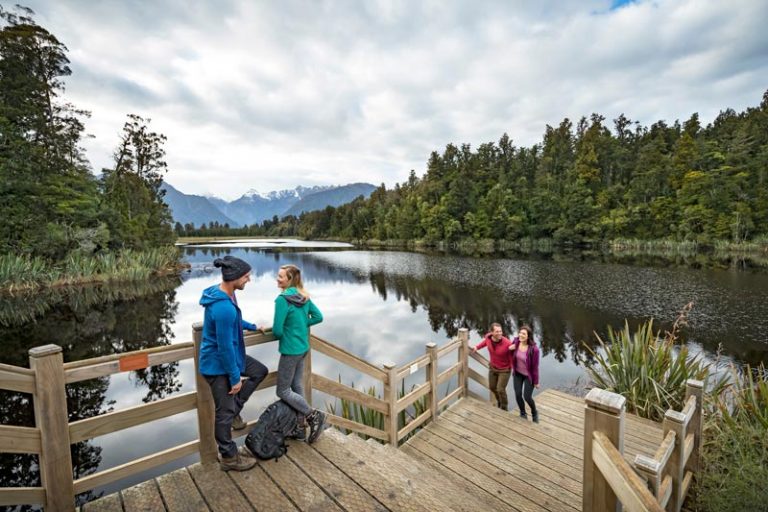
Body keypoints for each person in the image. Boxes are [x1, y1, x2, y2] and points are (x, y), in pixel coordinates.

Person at [199, 255, 268, 471]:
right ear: (235, 277)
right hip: (217, 366)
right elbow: (224, 346)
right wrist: (235, 377)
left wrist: (252, 326)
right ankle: (229, 457)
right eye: (246, 276)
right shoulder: (223, 308)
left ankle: (236, 406)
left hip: (230, 358)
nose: (248, 279)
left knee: (259, 371)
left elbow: (235, 322)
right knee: (224, 414)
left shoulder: (227, 295)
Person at [273, 264, 325, 443]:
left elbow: (278, 331)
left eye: (280, 276)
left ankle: (313, 415)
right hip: (303, 348)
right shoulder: (303, 296)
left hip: (290, 350)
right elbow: (318, 317)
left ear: (289, 280)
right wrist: (301, 325)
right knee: (296, 385)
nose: (277, 279)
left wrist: (269, 330)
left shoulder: (282, 300)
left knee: (282, 390)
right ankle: (299, 427)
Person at [471, 323, 513, 410]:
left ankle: (504, 407)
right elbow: (485, 342)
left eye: (501, 331)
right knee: (492, 387)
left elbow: (513, 357)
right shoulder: (488, 337)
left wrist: (514, 369)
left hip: (505, 370)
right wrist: (477, 347)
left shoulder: (507, 343)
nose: (500, 333)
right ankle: (499, 401)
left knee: (500, 389)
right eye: (497, 331)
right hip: (493, 368)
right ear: (492, 332)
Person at [509, 325, 540, 423]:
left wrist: (536, 381)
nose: (521, 335)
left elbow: (535, 367)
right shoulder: (516, 343)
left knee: (527, 396)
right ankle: (523, 413)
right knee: (518, 394)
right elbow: (510, 354)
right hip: (517, 373)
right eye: (520, 333)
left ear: (528, 336)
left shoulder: (534, 350)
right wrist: (510, 348)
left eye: (524, 334)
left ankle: (534, 412)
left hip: (528, 376)